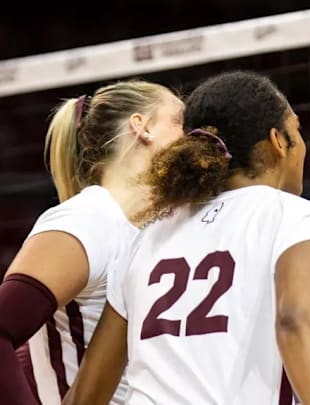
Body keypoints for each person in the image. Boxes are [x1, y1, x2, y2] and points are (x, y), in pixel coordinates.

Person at [62, 70, 310, 405]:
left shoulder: (147, 236)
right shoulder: (296, 215)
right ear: (278, 141)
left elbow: (84, 396)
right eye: (297, 132)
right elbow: (294, 321)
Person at [0, 80, 184, 404]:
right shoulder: (87, 220)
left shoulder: (161, 227)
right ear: (142, 127)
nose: (193, 135)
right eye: (180, 120)